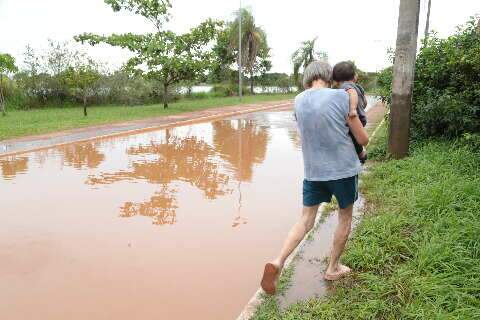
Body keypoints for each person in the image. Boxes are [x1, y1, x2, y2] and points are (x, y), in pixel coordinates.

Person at [260, 61, 369, 295]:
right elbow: (362, 139)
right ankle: (333, 267)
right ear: (328, 76)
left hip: (313, 171)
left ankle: (278, 261)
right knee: (345, 216)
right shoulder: (340, 97)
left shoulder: (298, 100)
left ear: (308, 77)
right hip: (342, 170)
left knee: (306, 219)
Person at [333, 61, 368, 164]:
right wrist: (360, 107)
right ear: (354, 76)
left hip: (354, 117)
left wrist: (352, 108)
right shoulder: (358, 87)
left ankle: (361, 154)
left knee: (352, 137)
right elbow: (364, 102)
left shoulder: (345, 87)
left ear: (335, 79)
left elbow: (352, 93)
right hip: (361, 116)